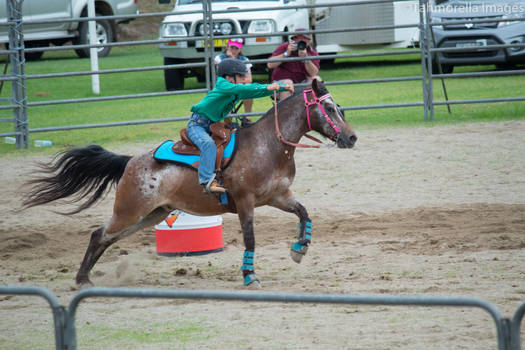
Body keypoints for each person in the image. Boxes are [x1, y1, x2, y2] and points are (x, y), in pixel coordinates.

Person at [188, 58, 293, 194]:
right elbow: (246, 88)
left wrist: (282, 87)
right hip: (198, 125)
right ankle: (206, 180)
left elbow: (255, 91)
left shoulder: (234, 90)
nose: (244, 79)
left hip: (214, 125)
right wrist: (268, 86)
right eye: (240, 76)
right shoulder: (223, 85)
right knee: (208, 144)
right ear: (229, 78)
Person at [267, 28, 321, 100]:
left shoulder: (312, 53)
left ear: (308, 40)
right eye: (298, 38)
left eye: (304, 38)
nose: (301, 41)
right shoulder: (285, 47)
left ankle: (310, 109)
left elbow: (313, 73)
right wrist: (286, 54)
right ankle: (285, 110)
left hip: (301, 84)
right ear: (294, 39)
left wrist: (306, 58)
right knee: (288, 83)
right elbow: (270, 64)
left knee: (316, 79)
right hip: (280, 84)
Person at [214, 38, 253, 113]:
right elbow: (223, 76)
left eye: (236, 48)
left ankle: (247, 117)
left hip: (239, 86)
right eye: (232, 47)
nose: (234, 51)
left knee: (248, 88)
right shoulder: (219, 58)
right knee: (227, 90)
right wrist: (232, 58)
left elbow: (249, 79)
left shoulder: (245, 59)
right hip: (226, 87)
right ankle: (228, 118)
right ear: (227, 47)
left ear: (240, 49)